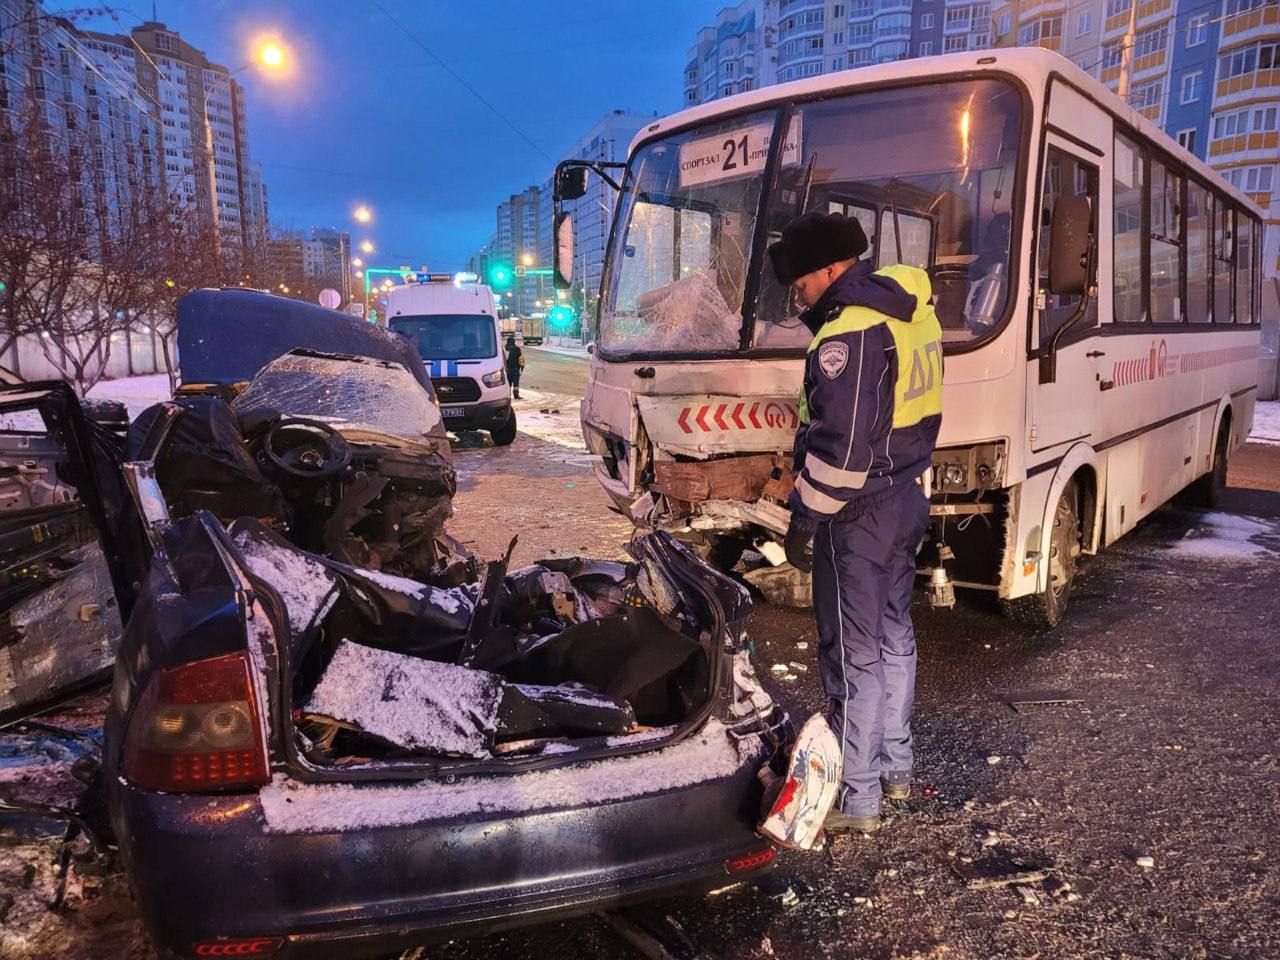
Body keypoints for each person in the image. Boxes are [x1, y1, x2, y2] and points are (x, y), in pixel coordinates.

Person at [766, 211, 943, 835]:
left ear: (832, 269)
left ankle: (856, 796)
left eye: (803, 282)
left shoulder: (852, 333)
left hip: (858, 512)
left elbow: (842, 453)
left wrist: (805, 519)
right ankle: (896, 769)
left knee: (853, 656)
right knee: (895, 637)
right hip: (905, 497)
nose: (799, 294)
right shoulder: (911, 311)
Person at [505, 334, 524, 399]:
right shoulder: (517, 349)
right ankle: (516, 395)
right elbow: (521, 359)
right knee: (516, 383)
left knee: (508, 383)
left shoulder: (504, 349)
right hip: (515, 369)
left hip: (507, 370)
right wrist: (522, 367)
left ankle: (508, 395)